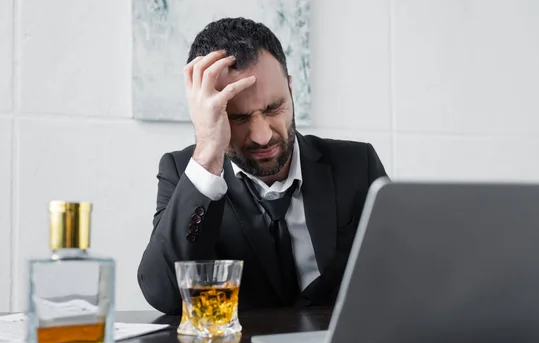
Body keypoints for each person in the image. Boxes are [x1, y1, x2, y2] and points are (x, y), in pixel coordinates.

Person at [137, 17, 388, 315]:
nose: (263, 135)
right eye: (238, 117)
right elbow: (163, 294)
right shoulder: (183, 173)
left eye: (273, 108)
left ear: (291, 89)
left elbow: (401, 273)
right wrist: (207, 153)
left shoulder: (358, 165)